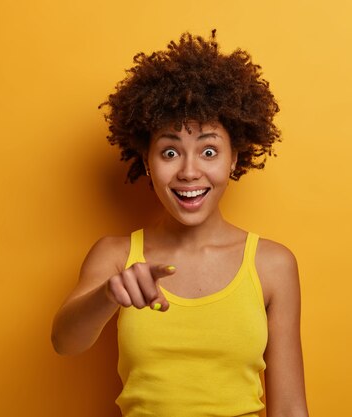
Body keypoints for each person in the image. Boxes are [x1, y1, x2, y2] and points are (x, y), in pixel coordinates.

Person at [51, 31, 309, 417]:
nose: (189, 172)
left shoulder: (272, 264)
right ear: (146, 159)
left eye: (208, 150)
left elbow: (289, 408)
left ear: (234, 158)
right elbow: (64, 342)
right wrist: (108, 295)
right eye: (170, 151)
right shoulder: (116, 255)